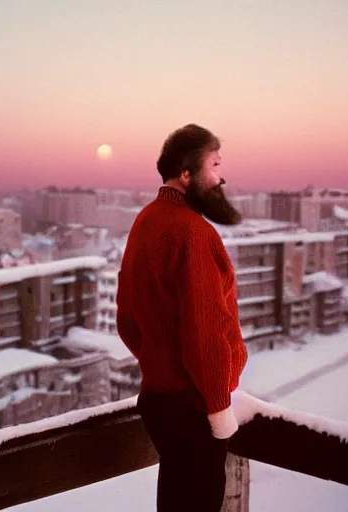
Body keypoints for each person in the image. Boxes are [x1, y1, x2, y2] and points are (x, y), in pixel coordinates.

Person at [116, 124, 248, 511]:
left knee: (174, 502)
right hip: (194, 409)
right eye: (214, 164)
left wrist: (157, 362)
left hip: (159, 402)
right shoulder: (191, 232)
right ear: (186, 173)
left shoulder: (147, 219)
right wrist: (218, 409)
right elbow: (205, 332)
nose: (221, 176)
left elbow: (127, 317)